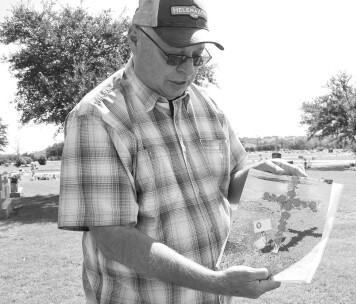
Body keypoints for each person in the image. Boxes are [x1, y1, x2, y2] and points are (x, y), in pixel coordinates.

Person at [57, 0, 306, 303]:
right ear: (134, 38)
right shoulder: (97, 117)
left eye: (197, 57)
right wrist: (216, 282)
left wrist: (257, 177)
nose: (187, 69)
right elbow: (114, 236)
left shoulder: (207, 106)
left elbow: (228, 183)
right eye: (173, 55)